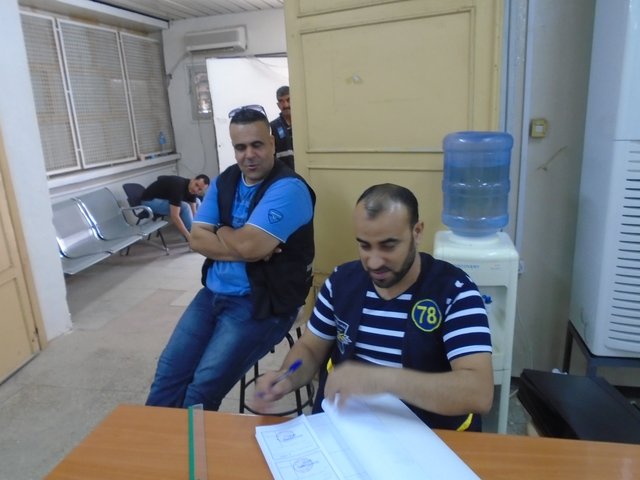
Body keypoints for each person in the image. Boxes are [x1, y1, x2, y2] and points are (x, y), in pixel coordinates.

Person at [254, 183, 494, 431]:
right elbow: (311, 349)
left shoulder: (455, 291)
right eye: (365, 246)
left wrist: (381, 379)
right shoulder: (341, 283)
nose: (375, 262)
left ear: (417, 232)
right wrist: (287, 375)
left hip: (428, 434)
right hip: (349, 428)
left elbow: (479, 392)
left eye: (388, 246)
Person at [145, 104, 315, 411]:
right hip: (212, 294)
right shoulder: (226, 180)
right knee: (168, 375)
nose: (249, 155)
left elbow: (250, 247)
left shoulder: (289, 188)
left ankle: (188, 443)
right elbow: (198, 239)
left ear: (272, 143)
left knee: (200, 390)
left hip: (261, 302)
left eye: (257, 144)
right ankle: (155, 441)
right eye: (240, 147)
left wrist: (221, 230)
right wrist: (241, 241)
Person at [141, 174, 210, 241]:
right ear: (193, 180)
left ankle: (196, 231)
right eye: (196, 185)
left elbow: (194, 212)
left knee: (197, 201)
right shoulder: (178, 186)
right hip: (148, 201)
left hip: (162, 199)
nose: (196, 189)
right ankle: (192, 235)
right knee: (185, 206)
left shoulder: (192, 189)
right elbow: (174, 216)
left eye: (200, 189)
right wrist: (188, 236)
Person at [269, 85, 294, 170]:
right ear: (278, 105)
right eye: (281, 101)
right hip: (284, 175)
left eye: (288, 100)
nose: (286, 105)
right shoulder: (272, 127)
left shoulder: (304, 124)